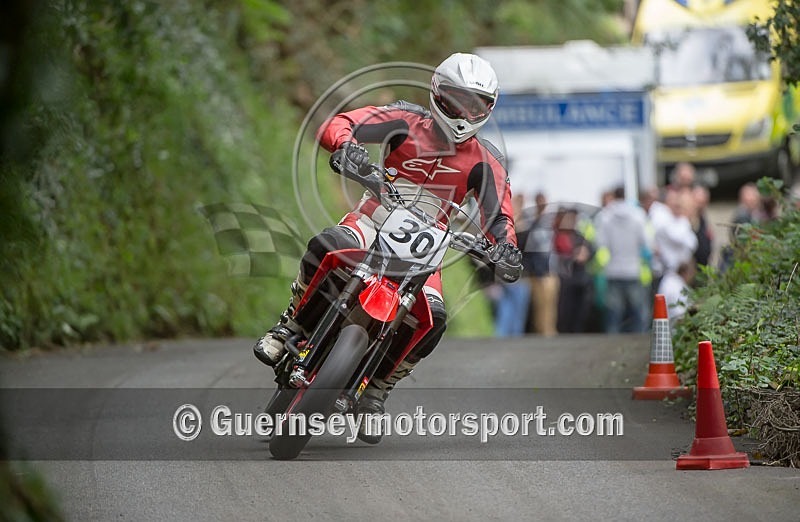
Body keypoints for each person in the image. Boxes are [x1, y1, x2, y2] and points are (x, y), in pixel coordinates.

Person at [253, 53, 523, 442]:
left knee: (434, 317)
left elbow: (501, 216)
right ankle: (289, 325)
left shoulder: (488, 162)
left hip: (429, 247)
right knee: (327, 245)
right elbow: (340, 123)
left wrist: (506, 249)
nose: (463, 111)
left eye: (474, 104)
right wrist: (345, 146)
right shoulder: (404, 119)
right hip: (373, 217)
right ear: (435, 93)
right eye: (456, 99)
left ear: (488, 108)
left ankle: (378, 389)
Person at [595, 187, 652, 333]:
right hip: (633, 270)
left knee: (613, 315)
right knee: (638, 315)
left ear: (614, 196)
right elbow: (646, 242)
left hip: (613, 270)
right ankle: (638, 347)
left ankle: (610, 348)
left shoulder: (605, 216)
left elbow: (600, 243)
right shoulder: (638, 215)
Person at [518, 191, 558, 336]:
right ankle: (540, 331)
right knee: (538, 304)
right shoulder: (531, 220)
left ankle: (549, 330)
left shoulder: (551, 220)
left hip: (548, 268)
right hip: (536, 269)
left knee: (549, 304)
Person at [552, 208, 594, 333]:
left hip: (580, 279)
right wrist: (573, 256)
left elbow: (591, 249)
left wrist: (586, 253)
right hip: (565, 280)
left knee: (580, 312)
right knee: (565, 312)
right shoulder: (557, 236)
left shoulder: (580, 236)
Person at [658, 260, 696, 328]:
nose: (693, 277)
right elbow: (679, 315)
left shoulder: (669, 280)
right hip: (673, 327)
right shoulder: (678, 287)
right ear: (686, 272)